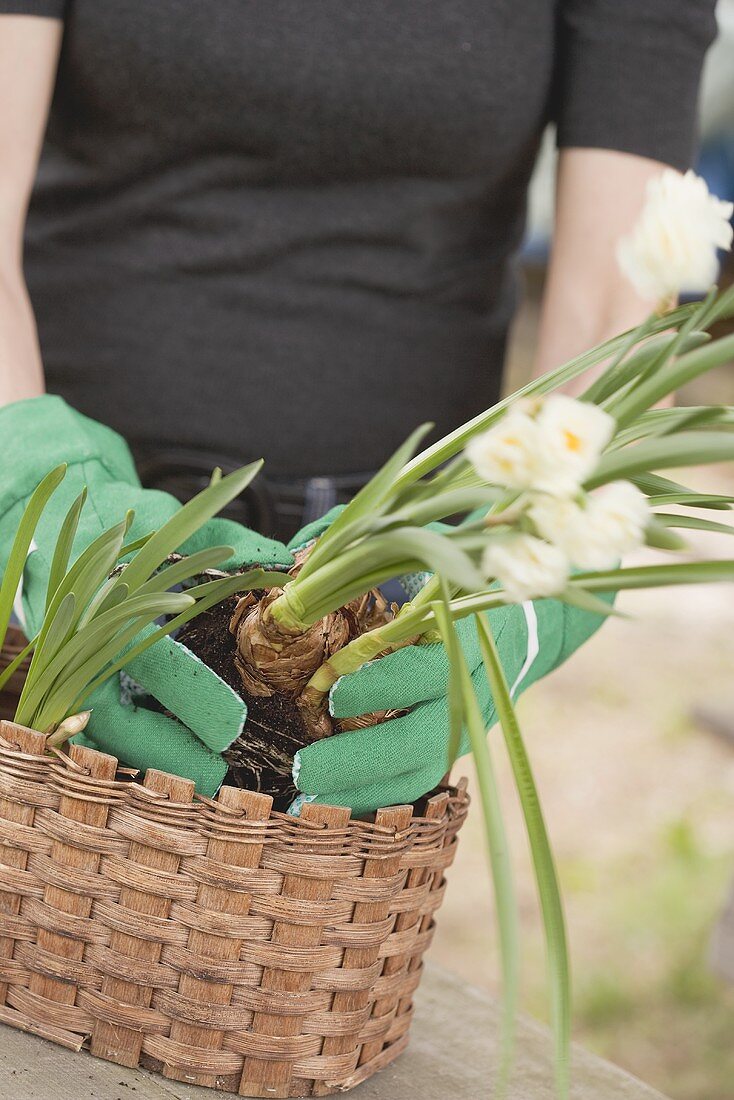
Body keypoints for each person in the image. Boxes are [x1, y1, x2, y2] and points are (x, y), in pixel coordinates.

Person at [0, 2, 718, 810]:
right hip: (80, 550)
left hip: (387, 616)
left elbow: (617, 300)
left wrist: (524, 591)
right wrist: (29, 494)